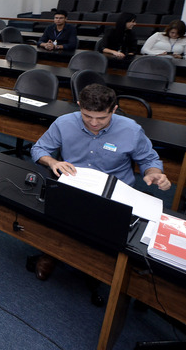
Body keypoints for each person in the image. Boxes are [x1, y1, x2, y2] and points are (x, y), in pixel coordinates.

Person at [29, 83, 170, 280]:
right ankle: (52, 251)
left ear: (114, 109)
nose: (94, 123)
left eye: (102, 118)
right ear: (80, 105)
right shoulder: (64, 123)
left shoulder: (131, 130)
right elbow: (38, 149)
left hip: (115, 192)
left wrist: (154, 173)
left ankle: (99, 263)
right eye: (87, 116)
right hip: (75, 185)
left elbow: (149, 159)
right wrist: (52, 161)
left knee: (105, 234)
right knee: (55, 214)